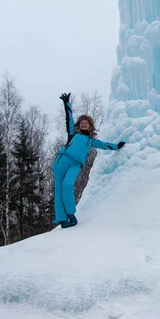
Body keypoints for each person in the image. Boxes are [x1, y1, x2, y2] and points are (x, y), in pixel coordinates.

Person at [53, 92, 125, 228]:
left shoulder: (91, 140)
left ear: (90, 126)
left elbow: (104, 145)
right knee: (58, 190)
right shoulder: (72, 134)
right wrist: (66, 103)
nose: (84, 124)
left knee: (67, 185)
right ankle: (62, 220)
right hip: (61, 162)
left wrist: (116, 146)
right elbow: (68, 118)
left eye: (87, 123)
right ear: (79, 126)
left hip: (75, 164)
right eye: (82, 123)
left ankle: (70, 214)